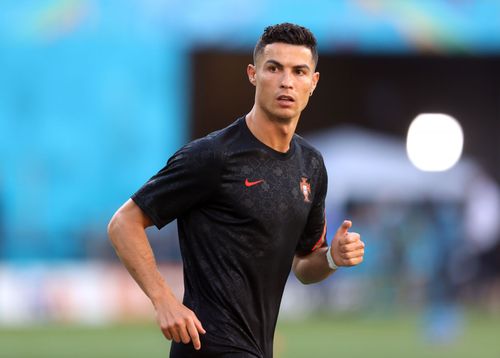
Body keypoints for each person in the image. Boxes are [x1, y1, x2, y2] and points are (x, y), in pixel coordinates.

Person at [108, 22, 365, 358]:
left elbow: (304, 265)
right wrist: (164, 301)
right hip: (208, 346)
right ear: (253, 74)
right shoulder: (213, 156)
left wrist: (332, 257)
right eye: (274, 68)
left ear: (313, 82)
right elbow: (123, 224)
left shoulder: (311, 166)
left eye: (299, 71)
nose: (287, 81)